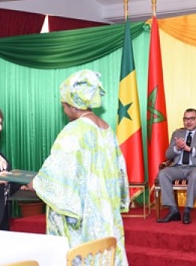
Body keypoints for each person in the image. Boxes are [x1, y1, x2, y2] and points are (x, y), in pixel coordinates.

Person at [31, 69, 130, 266]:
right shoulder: (107, 129)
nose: (63, 111)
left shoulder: (74, 130)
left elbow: (58, 172)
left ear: (72, 105)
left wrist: (36, 182)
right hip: (107, 212)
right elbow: (120, 171)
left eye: (63, 106)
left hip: (85, 217)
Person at [157, 108, 196, 224]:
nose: (188, 122)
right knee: (163, 173)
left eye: (191, 119)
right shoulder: (177, 133)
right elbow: (168, 155)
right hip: (178, 167)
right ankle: (173, 210)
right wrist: (176, 148)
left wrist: (190, 149)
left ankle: (187, 210)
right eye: (185, 119)